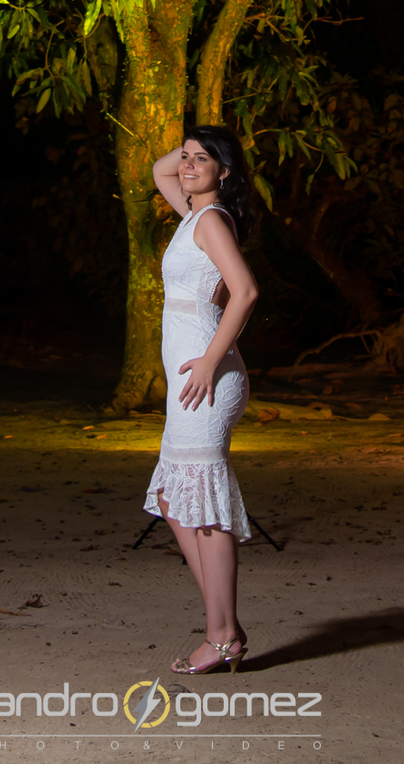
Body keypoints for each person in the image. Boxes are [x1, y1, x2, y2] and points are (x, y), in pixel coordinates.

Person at [143, 126, 259, 676]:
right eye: (185, 157)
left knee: (204, 509)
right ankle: (224, 625)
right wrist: (197, 143)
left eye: (201, 160)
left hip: (207, 380)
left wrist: (212, 360)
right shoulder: (193, 213)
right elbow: (158, 171)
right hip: (189, 381)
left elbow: (246, 291)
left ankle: (221, 635)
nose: (185, 165)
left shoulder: (211, 220)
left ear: (226, 172)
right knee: (172, 496)